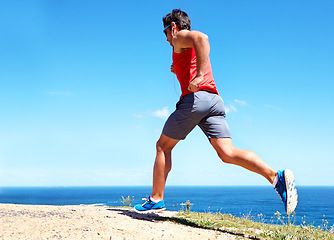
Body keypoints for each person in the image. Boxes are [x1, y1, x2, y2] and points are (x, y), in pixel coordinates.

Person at [134, 9, 298, 215]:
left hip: (196, 100)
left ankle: (156, 199)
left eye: (165, 32)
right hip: (214, 101)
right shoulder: (182, 47)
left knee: (162, 146)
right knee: (227, 153)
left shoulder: (179, 37)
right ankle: (276, 177)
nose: (166, 38)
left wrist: (199, 75)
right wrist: (180, 69)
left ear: (173, 27)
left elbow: (203, 38)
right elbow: (192, 57)